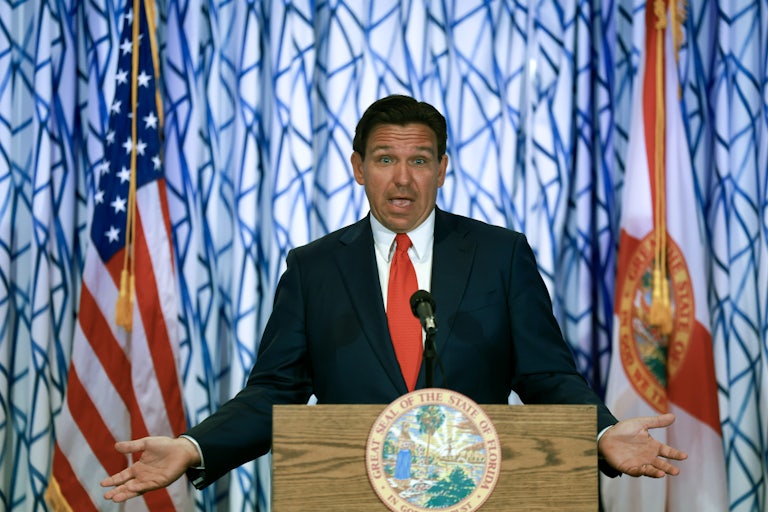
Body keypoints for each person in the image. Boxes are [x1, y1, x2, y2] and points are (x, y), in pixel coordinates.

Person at [101, 94, 687, 503]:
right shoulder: (314, 268)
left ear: (443, 169)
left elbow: (547, 376)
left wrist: (605, 434)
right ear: (358, 168)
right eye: (385, 160)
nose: (402, 179)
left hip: (480, 495)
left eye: (418, 161)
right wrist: (192, 446)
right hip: (346, 493)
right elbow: (276, 391)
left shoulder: (500, 255)